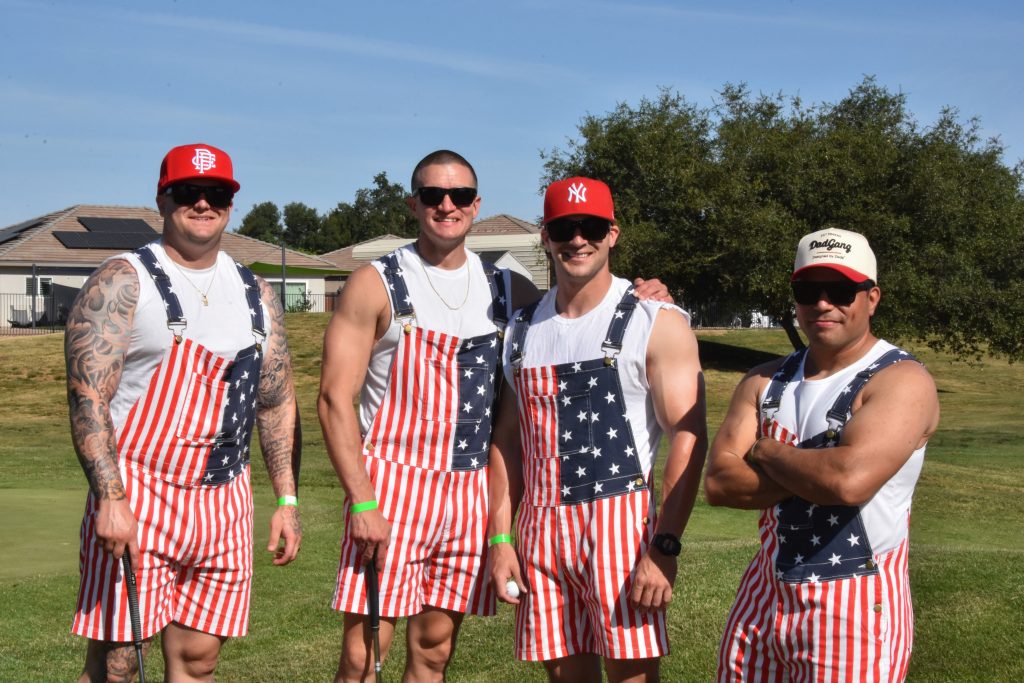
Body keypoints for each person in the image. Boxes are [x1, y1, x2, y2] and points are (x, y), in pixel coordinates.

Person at [317, 152, 670, 682]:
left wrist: (648, 295)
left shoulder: (510, 290)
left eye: (459, 196)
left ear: (476, 205)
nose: (446, 205)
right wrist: (362, 499)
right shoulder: (377, 282)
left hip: (468, 488)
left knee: (434, 649)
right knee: (364, 652)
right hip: (391, 482)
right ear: (413, 203)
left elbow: (579, 304)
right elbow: (332, 400)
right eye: (433, 195)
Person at [66, 143, 302, 682]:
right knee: (117, 665)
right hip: (140, 495)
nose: (202, 203)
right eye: (187, 192)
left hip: (224, 502)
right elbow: (87, 397)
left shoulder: (255, 294)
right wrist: (110, 499)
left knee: (200, 661)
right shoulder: (122, 282)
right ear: (162, 198)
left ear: (230, 203)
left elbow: (275, 400)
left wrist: (286, 499)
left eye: (215, 193)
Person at [486, 177, 707, 682]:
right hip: (540, 530)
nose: (577, 239)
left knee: (632, 676)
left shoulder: (653, 319)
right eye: (565, 227)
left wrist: (664, 546)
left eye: (591, 227)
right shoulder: (521, 330)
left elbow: (688, 436)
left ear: (613, 234)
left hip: (621, 530)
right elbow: (508, 443)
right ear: (546, 235)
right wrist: (501, 538)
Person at [704, 227, 940, 682]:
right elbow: (719, 483)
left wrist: (763, 449)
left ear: (872, 297)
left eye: (841, 290)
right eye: (809, 290)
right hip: (762, 597)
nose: (823, 303)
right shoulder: (763, 380)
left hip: (854, 605)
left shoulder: (901, 380)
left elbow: (847, 481)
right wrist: (818, 470)